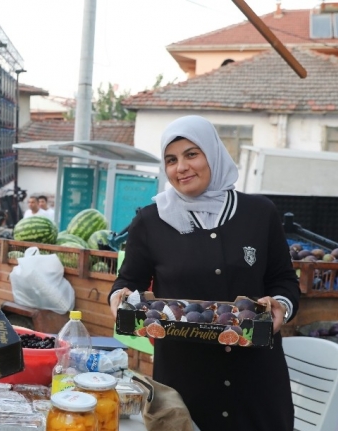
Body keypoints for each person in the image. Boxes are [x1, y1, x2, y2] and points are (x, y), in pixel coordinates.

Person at [108, 115, 300, 431]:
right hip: (184, 381)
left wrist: (281, 305)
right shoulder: (151, 221)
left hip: (255, 379)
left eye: (191, 154)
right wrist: (120, 297)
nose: (181, 167)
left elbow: (283, 279)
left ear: (213, 154)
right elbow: (128, 281)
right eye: (171, 160)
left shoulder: (259, 214)